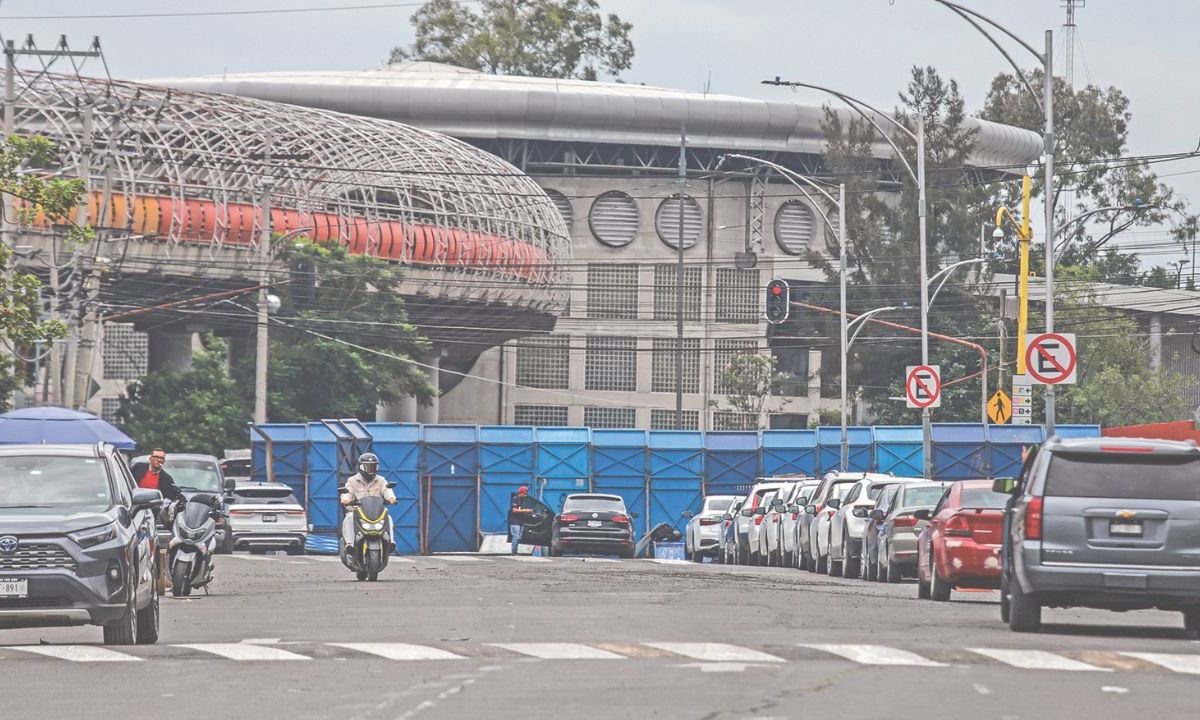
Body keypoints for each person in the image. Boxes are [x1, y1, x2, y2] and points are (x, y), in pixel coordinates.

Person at [340, 453, 396, 548]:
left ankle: (390, 541)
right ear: (361, 467)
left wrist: (391, 498)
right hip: (357, 512)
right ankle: (350, 544)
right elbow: (347, 492)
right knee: (348, 518)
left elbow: (387, 489)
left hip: (376, 513)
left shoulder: (381, 480)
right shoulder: (352, 481)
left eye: (373, 467)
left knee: (388, 517)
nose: (371, 469)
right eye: (368, 467)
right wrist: (346, 499)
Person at [508, 486, 535, 555]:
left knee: (519, 537)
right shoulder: (515, 499)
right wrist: (526, 510)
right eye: (524, 493)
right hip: (514, 521)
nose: (525, 495)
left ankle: (515, 551)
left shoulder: (523, 500)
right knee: (516, 536)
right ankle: (513, 552)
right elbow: (514, 510)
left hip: (520, 521)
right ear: (521, 493)